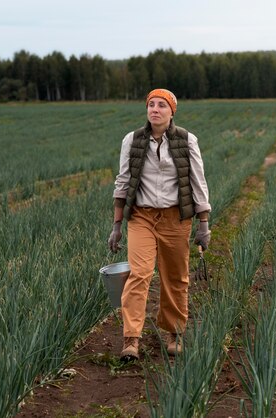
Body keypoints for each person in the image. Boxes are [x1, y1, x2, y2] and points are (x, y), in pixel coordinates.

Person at [108, 88, 211, 360]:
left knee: (175, 278)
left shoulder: (187, 140)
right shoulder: (132, 140)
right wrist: (117, 225)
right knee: (139, 274)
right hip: (141, 217)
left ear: (172, 111)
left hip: (175, 219)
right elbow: (122, 182)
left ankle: (174, 332)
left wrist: (203, 224)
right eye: (151, 105)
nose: (155, 109)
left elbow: (198, 182)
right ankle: (131, 339)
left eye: (161, 105)